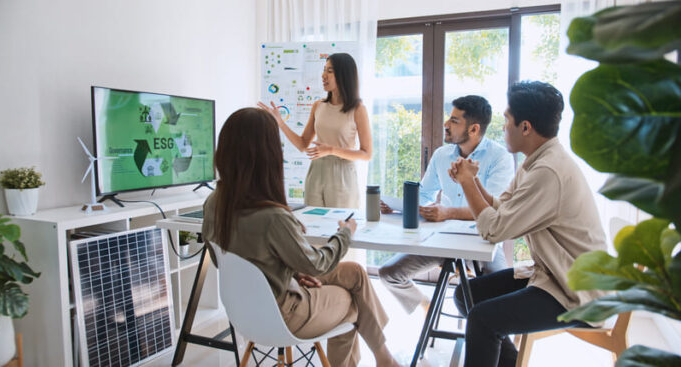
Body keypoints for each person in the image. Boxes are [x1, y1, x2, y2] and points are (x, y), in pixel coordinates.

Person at [201, 108, 400, 367]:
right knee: (353, 305)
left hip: (244, 311)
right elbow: (316, 264)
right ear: (268, 155)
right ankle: (382, 360)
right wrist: (345, 233)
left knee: (355, 273)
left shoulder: (213, 203)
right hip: (284, 313)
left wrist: (291, 273)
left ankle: (384, 358)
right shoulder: (272, 216)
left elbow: (231, 263)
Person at [450, 81, 607, 367]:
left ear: (525, 127)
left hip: (575, 289)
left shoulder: (548, 171)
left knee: (482, 319)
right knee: (466, 295)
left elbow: (494, 229)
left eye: (506, 120)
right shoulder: (535, 160)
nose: (502, 127)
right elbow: (505, 207)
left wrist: (467, 183)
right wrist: (471, 180)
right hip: (552, 275)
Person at [378, 95, 514, 314]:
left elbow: (494, 210)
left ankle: (485, 333)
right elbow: (424, 195)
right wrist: (399, 206)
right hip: (443, 239)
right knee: (389, 273)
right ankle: (425, 305)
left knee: (502, 295)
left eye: (454, 120)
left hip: (483, 240)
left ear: (474, 129)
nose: (445, 125)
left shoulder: (500, 158)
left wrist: (448, 212)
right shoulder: (442, 155)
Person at [258, 53, 372, 208]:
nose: (323, 75)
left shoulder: (358, 109)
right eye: (324, 70)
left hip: (342, 175)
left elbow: (366, 154)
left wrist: (331, 150)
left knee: (339, 225)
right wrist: (280, 122)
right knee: (313, 224)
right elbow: (303, 144)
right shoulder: (318, 105)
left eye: (330, 71)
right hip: (316, 172)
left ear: (344, 75)